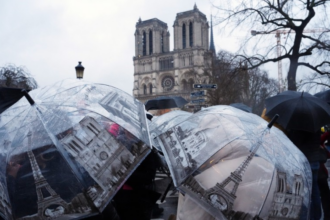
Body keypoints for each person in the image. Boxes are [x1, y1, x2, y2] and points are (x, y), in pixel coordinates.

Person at [287, 129, 324, 220]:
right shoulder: (316, 124)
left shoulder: (300, 126)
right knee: (314, 192)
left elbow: (296, 141)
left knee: (303, 192)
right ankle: (316, 216)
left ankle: (306, 216)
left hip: (304, 161)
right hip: (315, 161)